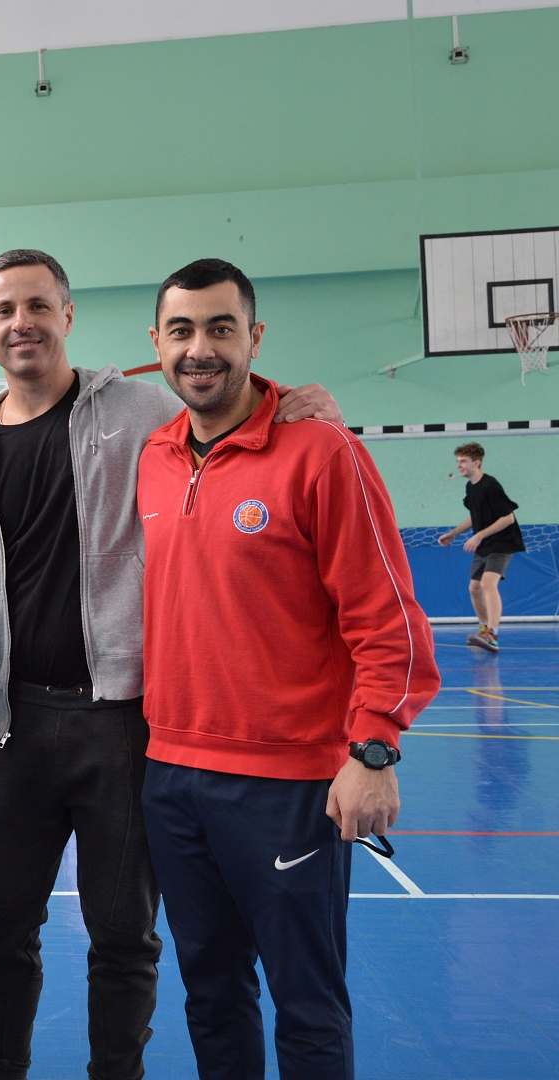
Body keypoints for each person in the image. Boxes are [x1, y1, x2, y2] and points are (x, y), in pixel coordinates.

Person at [0, 249, 339, 1080]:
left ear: (67, 315)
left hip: (122, 724)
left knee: (124, 940)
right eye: (5, 310)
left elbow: (226, 408)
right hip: (8, 730)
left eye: (38, 305)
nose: (22, 323)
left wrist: (296, 405)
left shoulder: (142, 411)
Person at [137, 258, 439, 1079]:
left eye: (221, 328)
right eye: (182, 330)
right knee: (211, 994)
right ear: (157, 343)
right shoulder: (155, 456)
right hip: (170, 776)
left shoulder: (323, 452)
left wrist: (373, 750)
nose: (200, 349)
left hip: (288, 786)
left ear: (255, 337)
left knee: (306, 1003)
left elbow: (388, 620)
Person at [438, 441, 525, 653]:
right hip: (485, 543)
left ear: (476, 462)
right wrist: (454, 533)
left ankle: (492, 634)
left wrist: (478, 535)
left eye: (463, 461)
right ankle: (484, 628)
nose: (459, 465)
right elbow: (474, 516)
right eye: (457, 461)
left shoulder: (490, 485)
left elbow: (508, 518)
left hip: (502, 542)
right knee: (474, 588)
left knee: (487, 583)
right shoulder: (471, 487)